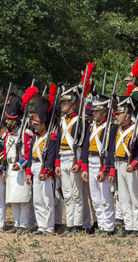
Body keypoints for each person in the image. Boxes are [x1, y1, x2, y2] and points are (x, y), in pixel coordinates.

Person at [103, 96, 138, 236]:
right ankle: (128, 226)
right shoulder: (117, 130)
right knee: (123, 198)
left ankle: (137, 227)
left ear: (127, 116)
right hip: (119, 164)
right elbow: (112, 151)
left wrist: (134, 164)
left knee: (135, 198)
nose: (117, 116)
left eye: (120, 114)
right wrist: (112, 170)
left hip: (131, 167)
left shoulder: (137, 130)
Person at [3, 86, 37, 234]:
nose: (7, 122)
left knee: (23, 199)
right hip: (10, 168)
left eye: (10, 120)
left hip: (20, 168)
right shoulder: (7, 135)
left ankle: (24, 225)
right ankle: (17, 224)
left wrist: (21, 164)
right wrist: (4, 169)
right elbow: (4, 153)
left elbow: (29, 153)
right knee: (13, 199)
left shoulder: (26, 133)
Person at [55, 85, 88, 236]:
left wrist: (80, 163)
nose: (62, 105)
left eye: (65, 102)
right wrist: (57, 163)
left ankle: (77, 225)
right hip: (63, 157)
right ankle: (69, 224)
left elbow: (85, 144)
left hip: (75, 158)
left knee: (76, 194)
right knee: (67, 195)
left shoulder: (81, 121)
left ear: (73, 104)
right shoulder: (62, 121)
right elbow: (57, 143)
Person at [80, 94, 115, 235]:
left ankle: (109, 227)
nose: (93, 113)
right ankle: (101, 225)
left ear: (104, 112)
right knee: (95, 199)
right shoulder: (91, 127)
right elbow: (85, 147)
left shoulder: (110, 128)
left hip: (102, 165)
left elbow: (111, 150)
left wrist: (105, 169)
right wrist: (84, 167)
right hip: (91, 162)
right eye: (93, 111)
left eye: (97, 111)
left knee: (105, 198)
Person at [26, 91, 57, 235]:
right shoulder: (34, 139)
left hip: (45, 170)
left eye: (37, 124)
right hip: (34, 167)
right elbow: (29, 157)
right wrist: (28, 172)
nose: (34, 126)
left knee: (47, 200)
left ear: (43, 124)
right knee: (37, 200)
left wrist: (46, 171)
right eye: (33, 124)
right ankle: (41, 226)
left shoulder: (50, 138)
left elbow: (51, 156)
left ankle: (49, 227)